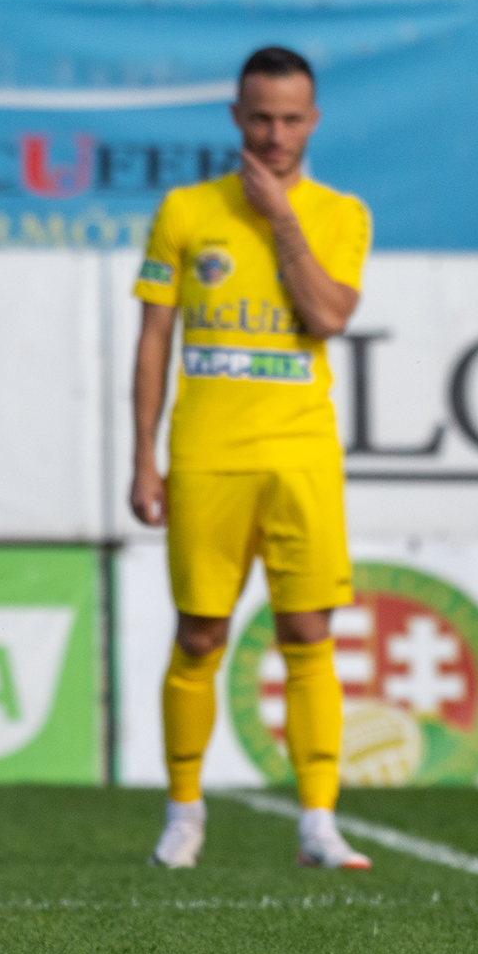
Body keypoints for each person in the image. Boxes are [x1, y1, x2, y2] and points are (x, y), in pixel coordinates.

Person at [131, 46, 374, 872]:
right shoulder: (185, 210)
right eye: (261, 118)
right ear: (237, 117)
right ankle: (184, 813)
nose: (274, 134)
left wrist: (279, 218)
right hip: (206, 456)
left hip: (301, 454)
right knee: (200, 633)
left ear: (313, 121)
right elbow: (154, 340)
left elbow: (328, 316)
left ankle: (318, 822)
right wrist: (143, 459)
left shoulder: (340, 213)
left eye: (290, 119)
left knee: (308, 631)